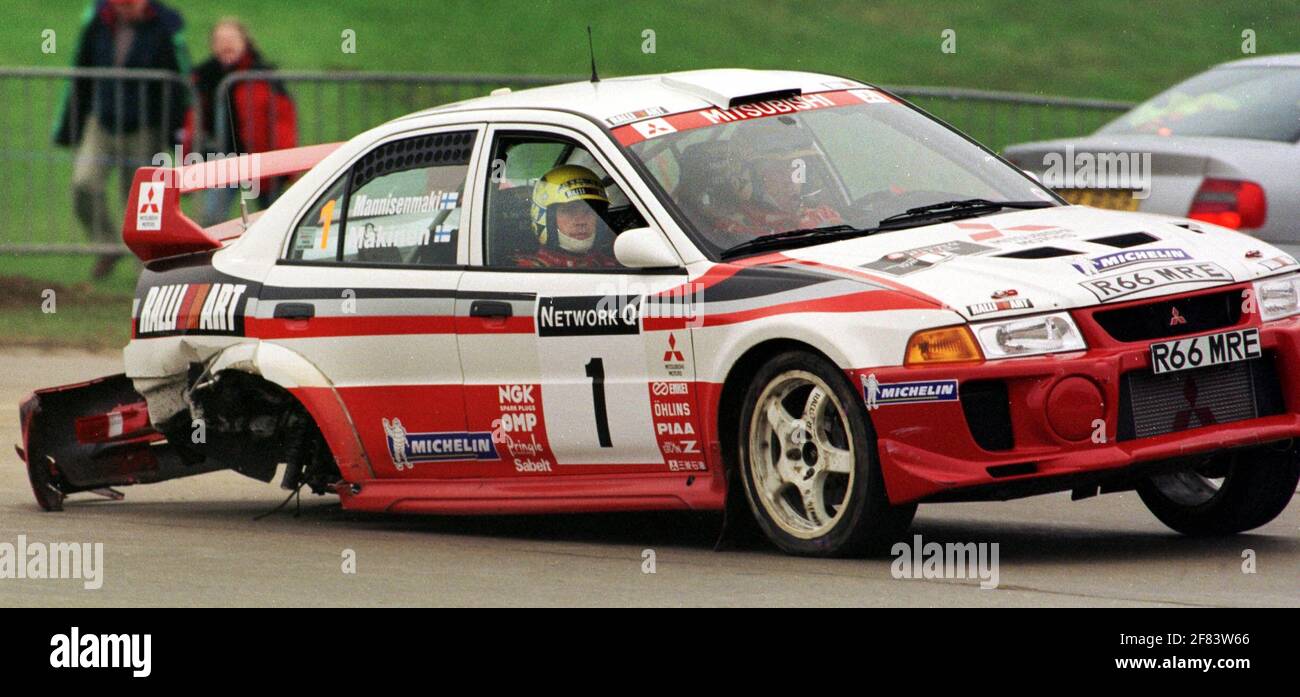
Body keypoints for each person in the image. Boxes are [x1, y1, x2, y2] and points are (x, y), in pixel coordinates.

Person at [55, 0, 191, 280]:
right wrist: (70, 124)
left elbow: (179, 79)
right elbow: (81, 69)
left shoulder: (165, 24)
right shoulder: (97, 19)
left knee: (141, 202)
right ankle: (107, 246)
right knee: (83, 184)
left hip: (145, 126)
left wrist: (179, 132)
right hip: (101, 121)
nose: (125, 7)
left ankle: (147, 269)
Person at [183, 17, 298, 225]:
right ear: (212, 45)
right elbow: (193, 123)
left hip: (262, 161)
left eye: (232, 39)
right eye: (220, 40)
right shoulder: (203, 77)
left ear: (245, 42)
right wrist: (188, 161)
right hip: (222, 159)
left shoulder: (264, 75)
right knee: (210, 219)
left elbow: (283, 121)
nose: (226, 45)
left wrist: (285, 164)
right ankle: (214, 257)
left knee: (272, 221)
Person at [515, 165, 619, 269]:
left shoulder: (612, 266)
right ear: (547, 218)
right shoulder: (525, 271)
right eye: (570, 211)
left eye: (589, 211)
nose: (581, 221)